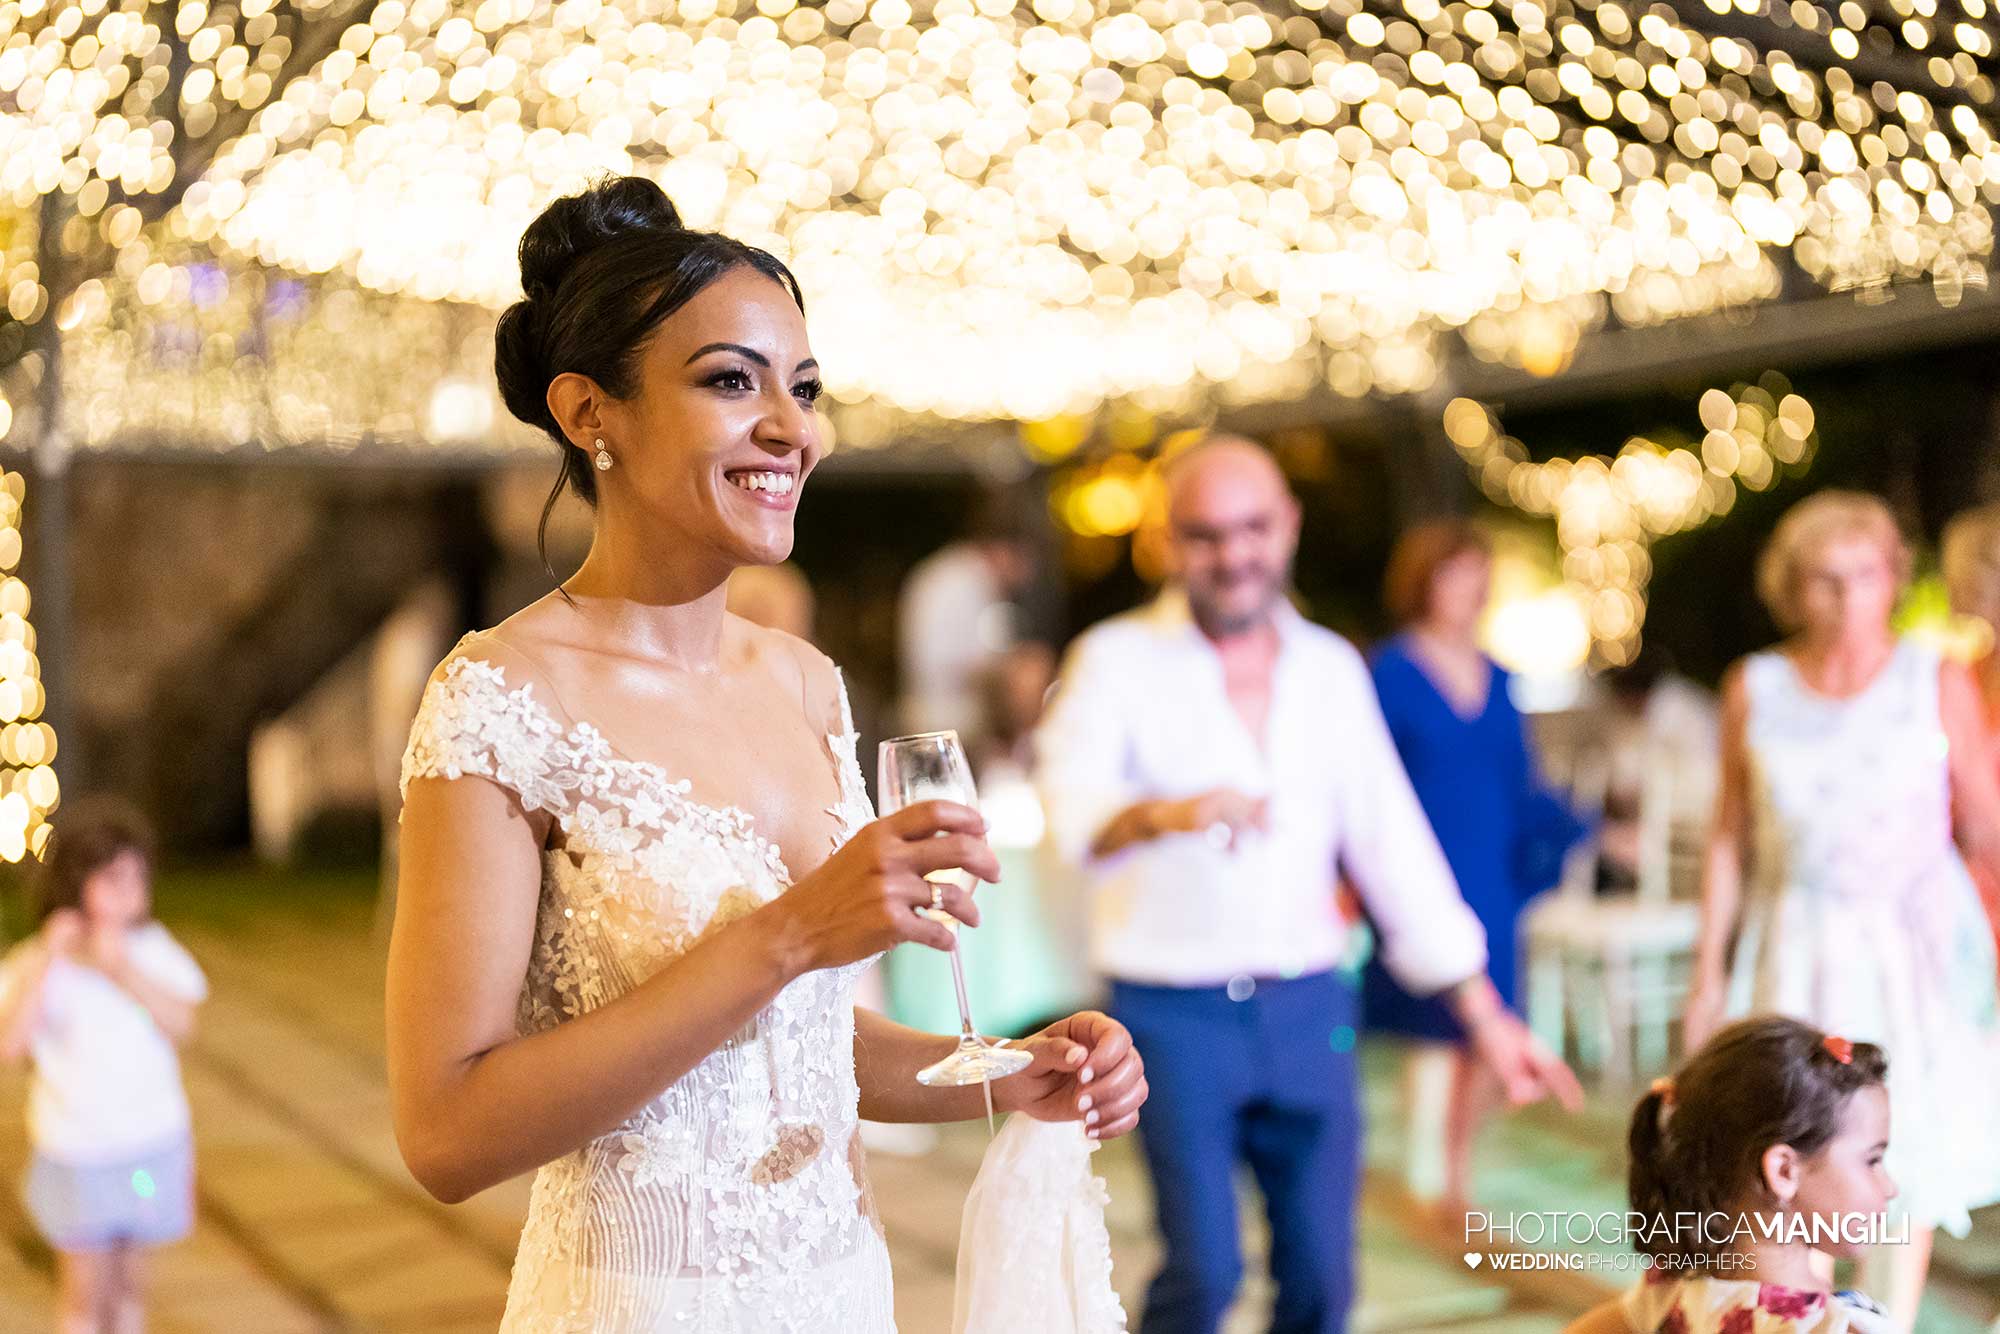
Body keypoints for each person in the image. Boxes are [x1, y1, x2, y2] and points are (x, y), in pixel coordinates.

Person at [387, 175, 1146, 1332]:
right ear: (591, 413)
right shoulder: (498, 699)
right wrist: (790, 930)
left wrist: (1011, 1064)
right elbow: (444, 1132)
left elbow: (804, 1042)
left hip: (841, 1288)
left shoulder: (801, 679)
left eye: (802, 388)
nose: (792, 428)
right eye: (731, 381)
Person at [1035, 434, 1579, 1334]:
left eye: (1253, 529)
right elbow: (1072, 817)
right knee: (1206, 1273)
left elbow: (1392, 846)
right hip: (1171, 1016)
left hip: (1308, 1005)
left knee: (1325, 1284)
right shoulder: (1113, 660)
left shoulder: (1331, 669)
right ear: (1169, 542)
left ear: (1287, 527)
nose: (1233, 555)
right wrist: (1169, 814)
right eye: (1206, 535)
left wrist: (1486, 1018)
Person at [1682, 490, 2000, 1333]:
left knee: (1907, 1154)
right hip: (1794, 945)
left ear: (1892, 578)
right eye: (1824, 580)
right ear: (1792, 588)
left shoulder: (1932, 676)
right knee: (1790, 1154)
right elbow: (1728, 838)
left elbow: (1984, 825)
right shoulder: (1755, 684)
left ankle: (1886, 1322)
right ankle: (1806, 1321)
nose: (1847, 597)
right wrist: (1706, 974)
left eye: (1864, 576)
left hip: (1913, 950)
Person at [1362, 519, 1588, 1214]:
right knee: (1434, 1024)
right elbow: (1369, 780)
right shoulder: (1390, 672)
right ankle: (1425, 1175)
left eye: (1477, 575)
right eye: (1454, 574)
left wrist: (1588, 829)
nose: (1470, 590)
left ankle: (1459, 1171)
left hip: (1489, 863)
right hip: (1421, 860)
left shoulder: (1500, 676)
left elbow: (1521, 777)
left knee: (1493, 1019)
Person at [0, 799, 207, 1334]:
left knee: (132, 1283)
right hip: (79, 1156)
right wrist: (48, 960)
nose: (130, 888)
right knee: (83, 1291)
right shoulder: (37, 962)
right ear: (75, 882)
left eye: (138, 874)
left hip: (149, 1149)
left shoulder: (153, 950)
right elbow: (10, 1045)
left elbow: (184, 1025)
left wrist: (123, 970)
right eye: (113, 876)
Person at [1564, 1017, 1896, 1334]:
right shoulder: (1832, 1327)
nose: (1890, 1187)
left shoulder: (1674, 1288)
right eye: (1873, 1160)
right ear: (1784, 1171)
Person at [896, 494, 1038, 744]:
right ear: (1004, 550)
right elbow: (936, 659)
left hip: (959, 728)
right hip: (939, 729)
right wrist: (1009, 668)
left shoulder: (970, 578)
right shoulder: (954, 581)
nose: (1026, 575)